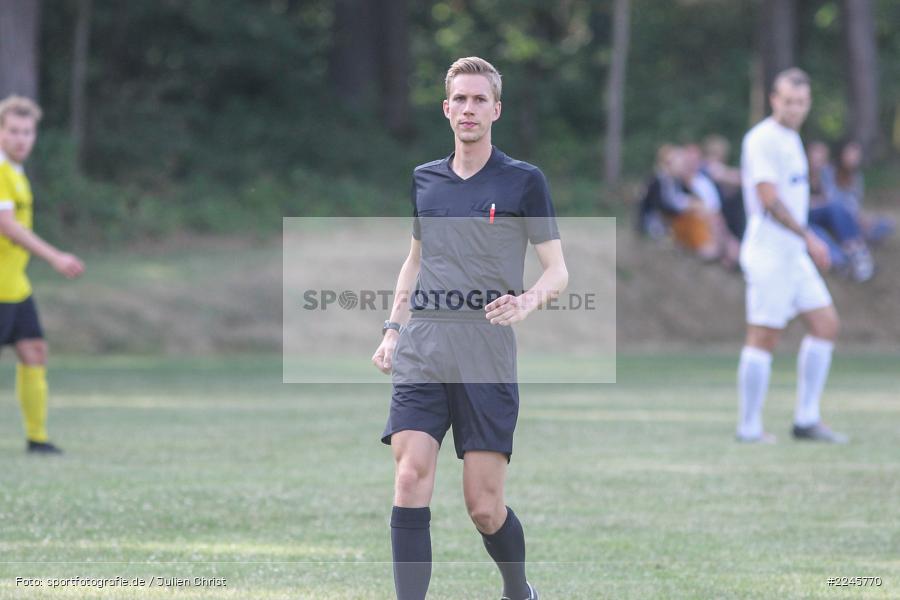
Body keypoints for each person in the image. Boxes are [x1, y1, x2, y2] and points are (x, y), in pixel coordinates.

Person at [371, 57, 568, 600]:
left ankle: (517, 590)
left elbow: (558, 271)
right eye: (459, 99)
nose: (468, 108)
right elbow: (414, 261)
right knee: (410, 478)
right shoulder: (425, 180)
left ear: (496, 109)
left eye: (479, 99)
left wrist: (526, 302)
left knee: (483, 507)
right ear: (446, 108)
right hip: (424, 346)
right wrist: (392, 330)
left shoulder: (524, 182)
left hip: (485, 354)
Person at [736, 68, 847, 444]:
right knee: (764, 336)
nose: (795, 108)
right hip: (770, 251)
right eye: (788, 101)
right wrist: (811, 237)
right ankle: (749, 428)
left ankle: (806, 420)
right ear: (773, 100)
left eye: (801, 102)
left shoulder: (792, 139)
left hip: (793, 253)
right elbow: (768, 200)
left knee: (826, 324)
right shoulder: (762, 138)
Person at [0, 95, 85, 454]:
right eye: (14, 131)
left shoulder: (16, 173)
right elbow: (6, 225)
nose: (22, 139)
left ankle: (37, 438)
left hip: (15, 283)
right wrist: (54, 256)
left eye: (28, 132)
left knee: (34, 351)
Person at [806, 140, 874, 281]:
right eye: (816, 154)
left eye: (823, 156)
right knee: (819, 226)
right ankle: (847, 256)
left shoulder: (825, 175)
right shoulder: (802, 173)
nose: (819, 159)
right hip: (807, 217)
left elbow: (840, 200)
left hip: (825, 217)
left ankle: (853, 254)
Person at [823, 139, 895, 244]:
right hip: (837, 216)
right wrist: (854, 217)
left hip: (854, 217)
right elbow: (830, 201)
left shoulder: (857, 177)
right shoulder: (828, 171)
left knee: (887, 223)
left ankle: (859, 235)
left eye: (856, 155)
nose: (853, 158)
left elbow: (856, 203)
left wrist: (863, 218)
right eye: (850, 154)